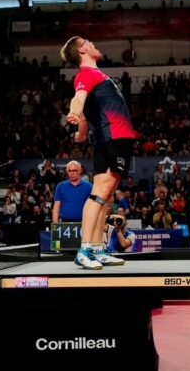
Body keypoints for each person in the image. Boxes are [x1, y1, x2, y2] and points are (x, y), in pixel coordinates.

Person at [61, 36, 135, 269]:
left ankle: (97, 249)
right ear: (82, 50)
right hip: (111, 136)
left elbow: (87, 112)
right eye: (87, 41)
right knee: (100, 193)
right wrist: (73, 112)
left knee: (107, 196)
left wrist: (81, 132)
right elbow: (79, 99)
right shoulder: (86, 74)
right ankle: (84, 250)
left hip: (113, 137)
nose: (93, 42)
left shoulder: (97, 75)